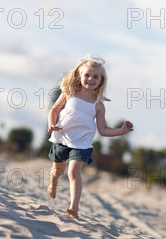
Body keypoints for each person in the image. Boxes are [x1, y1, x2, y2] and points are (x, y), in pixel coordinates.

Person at [47, 55, 134, 219]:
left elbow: (103, 130)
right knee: (57, 171)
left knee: (73, 172)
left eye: (96, 76)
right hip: (62, 137)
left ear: (101, 80)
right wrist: (52, 124)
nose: (91, 79)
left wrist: (121, 131)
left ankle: (74, 207)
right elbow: (54, 110)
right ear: (79, 75)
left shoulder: (98, 105)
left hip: (82, 143)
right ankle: (53, 183)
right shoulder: (69, 93)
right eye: (87, 75)